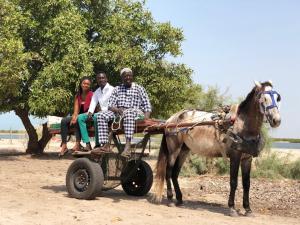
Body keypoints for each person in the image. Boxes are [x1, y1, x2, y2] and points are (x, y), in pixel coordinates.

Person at [93, 68, 151, 156]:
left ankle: (127, 146)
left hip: (135, 111)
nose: (128, 78)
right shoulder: (117, 89)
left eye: (129, 76)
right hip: (118, 112)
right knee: (100, 115)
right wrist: (117, 109)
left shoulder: (139, 88)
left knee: (128, 113)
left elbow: (147, 106)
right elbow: (110, 105)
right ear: (122, 78)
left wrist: (146, 119)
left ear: (132, 77)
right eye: (125, 76)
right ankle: (105, 144)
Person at [77, 72, 114, 151]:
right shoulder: (97, 91)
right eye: (99, 78)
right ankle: (87, 144)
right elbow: (93, 102)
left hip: (109, 113)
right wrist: (90, 113)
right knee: (80, 117)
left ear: (106, 79)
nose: (101, 80)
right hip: (99, 113)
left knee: (97, 116)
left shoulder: (112, 89)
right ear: (97, 80)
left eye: (103, 78)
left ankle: (97, 144)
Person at [58, 77, 93, 156]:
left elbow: (92, 109)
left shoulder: (92, 95)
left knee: (78, 119)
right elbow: (76, 110)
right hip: (79, 116)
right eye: (84, 83)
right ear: (81, 84)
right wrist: (74, 116)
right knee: (64, 120)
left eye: (88, 84)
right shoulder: (78, 95)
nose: (85, 85)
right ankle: (64, 145)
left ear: (90, 85)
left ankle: (77, 144)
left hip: (88, 117)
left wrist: (77, 117)